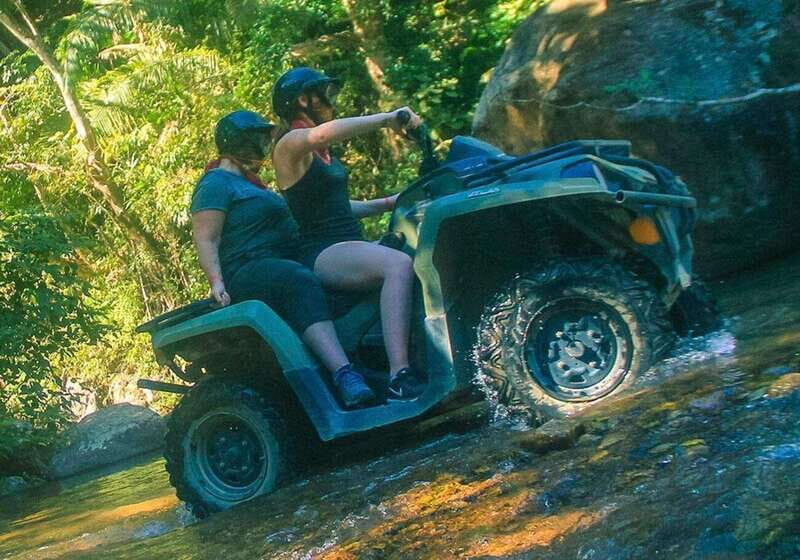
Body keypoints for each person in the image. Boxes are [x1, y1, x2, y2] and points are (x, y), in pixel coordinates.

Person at [191, 109, 375, 408]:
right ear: (241, 141)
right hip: (247, 268)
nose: (265, 144)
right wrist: (216, 282)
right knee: (297, 279)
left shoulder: (254, 185)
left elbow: (322, 210)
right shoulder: (216, 183)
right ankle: (345, 374)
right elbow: (206, 237)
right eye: (259, 137)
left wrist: (386, 204)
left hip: (283, 260)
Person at [270, 66, 424, 400]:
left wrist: (391, 202)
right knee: (397, 265)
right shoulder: (289, 145)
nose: (331, 100)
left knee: (419, 249)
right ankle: (399, 374)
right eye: (325, 93)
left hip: (347, 242)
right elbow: (320, 135)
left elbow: (337, 206)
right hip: (324, 251)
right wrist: (387, 118)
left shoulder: (324, 155)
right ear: (304, 100)